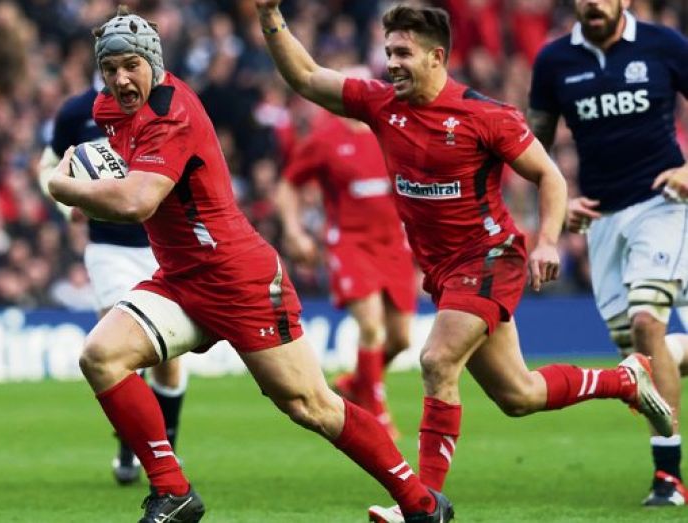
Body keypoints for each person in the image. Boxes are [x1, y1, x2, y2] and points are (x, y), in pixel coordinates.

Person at [255, 1, 674, 520]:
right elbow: (305, 76)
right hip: (444, 272)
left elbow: (549, 175)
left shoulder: (485, 115)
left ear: (437, 57)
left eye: (403, 53)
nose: (391, 63)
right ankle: (625, 380)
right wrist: (270, 15)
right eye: (389, 52)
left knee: (436, 360)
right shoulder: (381, 105)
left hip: (490, 257)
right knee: (518, 394)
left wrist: (547, 240)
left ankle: (422, 503)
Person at [47, 6, 453, 522]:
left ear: (154, 62)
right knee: (101, 356)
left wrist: (65, 187)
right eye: (110, 69)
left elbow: (137, 202)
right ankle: (173, 491)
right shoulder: (107, 108)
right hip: (181, 279)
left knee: (311, 405)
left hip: (238, 279)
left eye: (132, 65)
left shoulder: (173, 112)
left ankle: (420, 503)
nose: (121, 79)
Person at [527, 0, 688, 505]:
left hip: (662, 205)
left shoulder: (663, 44)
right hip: (600, 220)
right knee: (639, 360)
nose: (593, 3)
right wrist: (559, 204)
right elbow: (531, 147)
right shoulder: (554, 61)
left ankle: (668, 476)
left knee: (646, 322)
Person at [39, 73, 188, 486]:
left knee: (168, 362)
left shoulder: (162, 106)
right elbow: (48, 164)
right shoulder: (76, 111)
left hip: (163, 246)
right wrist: (65, 202)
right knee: (117, 347)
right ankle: (131, 443)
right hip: (109, 248)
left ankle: (166, 447)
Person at [275, 91, 416, 440]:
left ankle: (356, 383)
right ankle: (376, 413)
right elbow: (288, 186)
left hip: (394, 246)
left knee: (400, 339)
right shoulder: (324, 139)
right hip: (350, 244)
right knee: (371, 327)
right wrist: (294, 231)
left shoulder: (391, 132)